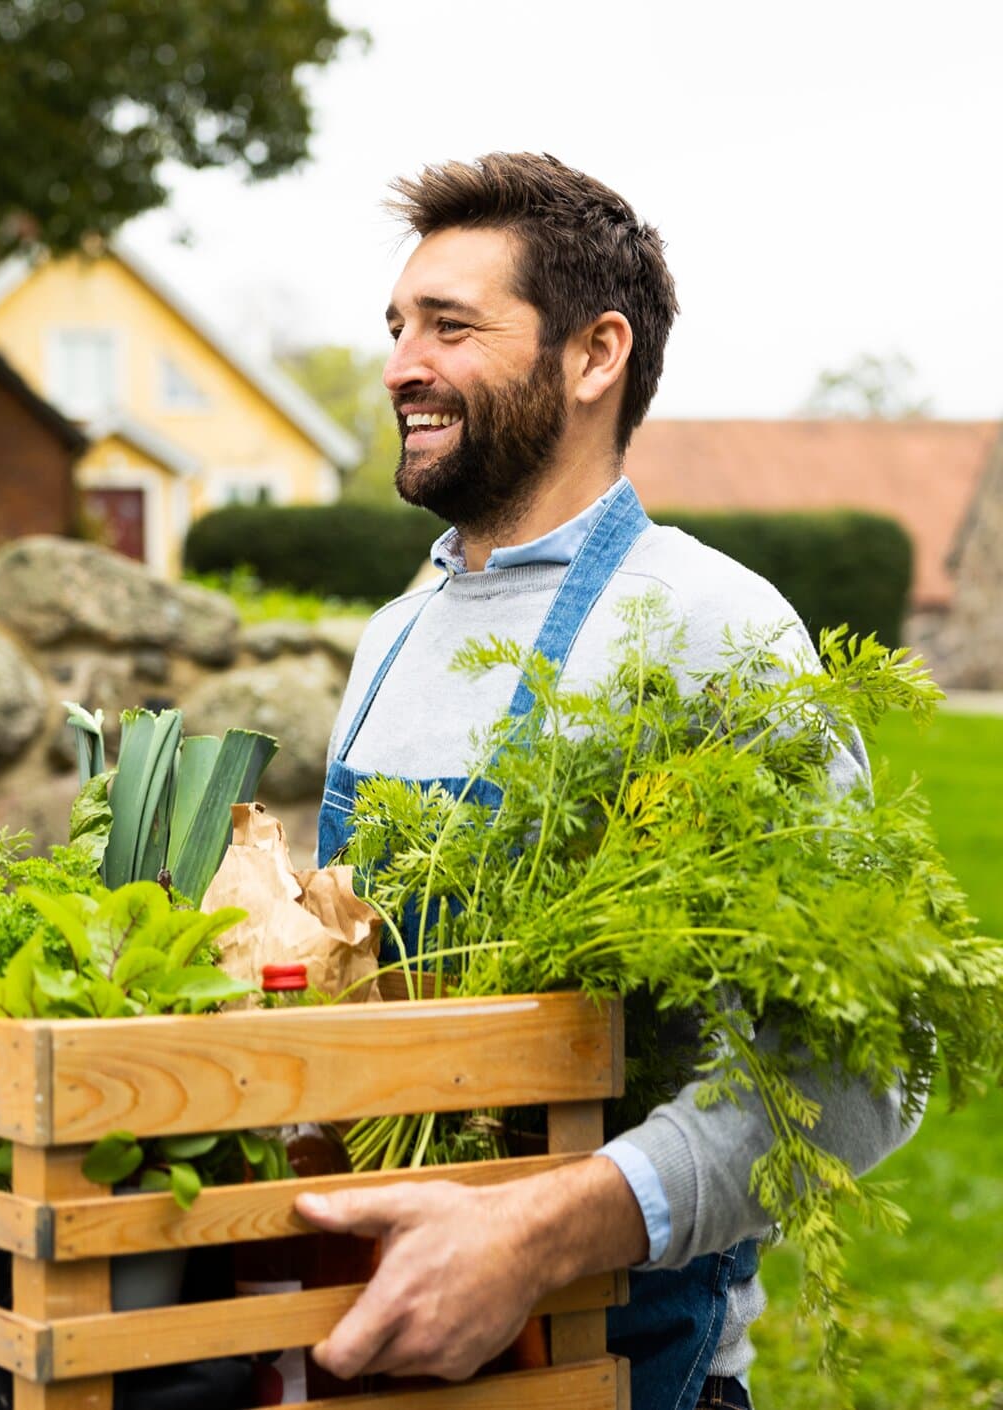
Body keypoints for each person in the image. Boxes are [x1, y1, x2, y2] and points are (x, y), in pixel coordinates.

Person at [295, 153, 917, 1410]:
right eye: (396, 327)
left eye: (449, 326)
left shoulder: (709, 630)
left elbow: (859, 1070)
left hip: (621, 1370)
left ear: (593, 358)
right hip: (374, 1343)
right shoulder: (393, 631)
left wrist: (537, 1236)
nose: (398, 365)